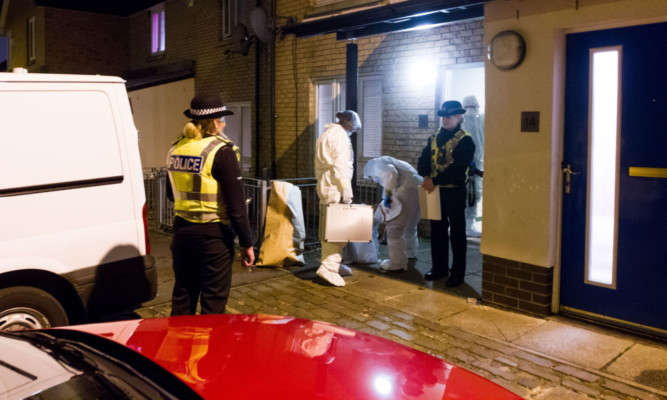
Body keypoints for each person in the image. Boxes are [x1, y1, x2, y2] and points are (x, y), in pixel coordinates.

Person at [166, 93, 255, 315]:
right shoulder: (222, 151)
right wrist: (247, 243)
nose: (225, 123)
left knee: (183, 297)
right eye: (223, 119)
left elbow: (171, 194)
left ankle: (178, 346)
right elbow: (236, 208)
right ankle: (209, 348)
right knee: (213, 304)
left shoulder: (176, 148)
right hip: (213, 237)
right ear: (215, 123)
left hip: (182, 233)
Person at [417, 100, 475, 287]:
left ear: (459, 117)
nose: (445, 120)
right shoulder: (434, 137)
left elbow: (458, 168)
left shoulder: (465, 140)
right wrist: (426, 176)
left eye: (449, 116)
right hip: (435, 191)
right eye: (443, 116)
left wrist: (434, 181)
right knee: (437, 231)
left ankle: (457, 274)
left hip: (455, 192)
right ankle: (439, 268)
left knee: (457, 234)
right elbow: (424, 158)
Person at [315, 110, 361, 287]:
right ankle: (329, 268)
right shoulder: (340, 137)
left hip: (326, 184)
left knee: (328, 226)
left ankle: (332, 262)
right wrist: (345, 187)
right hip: (334, 186)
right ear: (349, 121)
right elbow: (341, 163)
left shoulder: (328, 133)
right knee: (336, 229)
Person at [364, 156, 423, 272]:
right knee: (410, 225)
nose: (373, 179)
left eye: (371, 177)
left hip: (405, 190)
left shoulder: (378, 164)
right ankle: (410, 252)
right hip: (419, 188)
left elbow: (391, 173)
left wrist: (388, 193)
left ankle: (397, 263)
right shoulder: (391, 160)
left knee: (394, 228)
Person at [461, 95, 484, 238]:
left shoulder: (481, 120)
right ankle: (466, 226)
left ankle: (469, 225)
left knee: (474, 195)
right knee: (467, 196)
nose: (471, 110)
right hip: (464, 164)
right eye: (469, 107)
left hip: (478, 163)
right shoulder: (461, 122)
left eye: (473, 107)